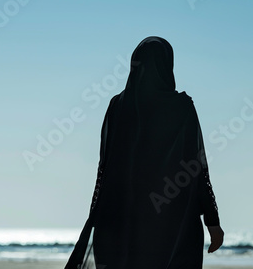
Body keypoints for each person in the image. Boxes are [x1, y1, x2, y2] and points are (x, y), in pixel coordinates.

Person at [65, 36, 223, 269]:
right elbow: (195, 168)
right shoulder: (181, 107)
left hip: (124, 220)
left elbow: (106, 169)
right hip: (173, 222)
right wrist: (212, 221)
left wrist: (99, 218)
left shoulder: (119, 106)